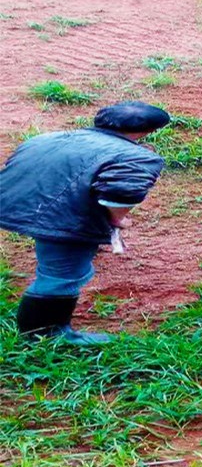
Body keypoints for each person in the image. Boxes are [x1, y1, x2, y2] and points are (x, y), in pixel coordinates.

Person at [0, 101, 170, 345]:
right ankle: (44, 335)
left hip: (13, 202)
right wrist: (116, 220)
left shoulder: (48, 138)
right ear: (147, 132)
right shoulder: (137, 156)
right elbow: (119, 195)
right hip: (59, 218)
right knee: (62, 274)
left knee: (57, 247)